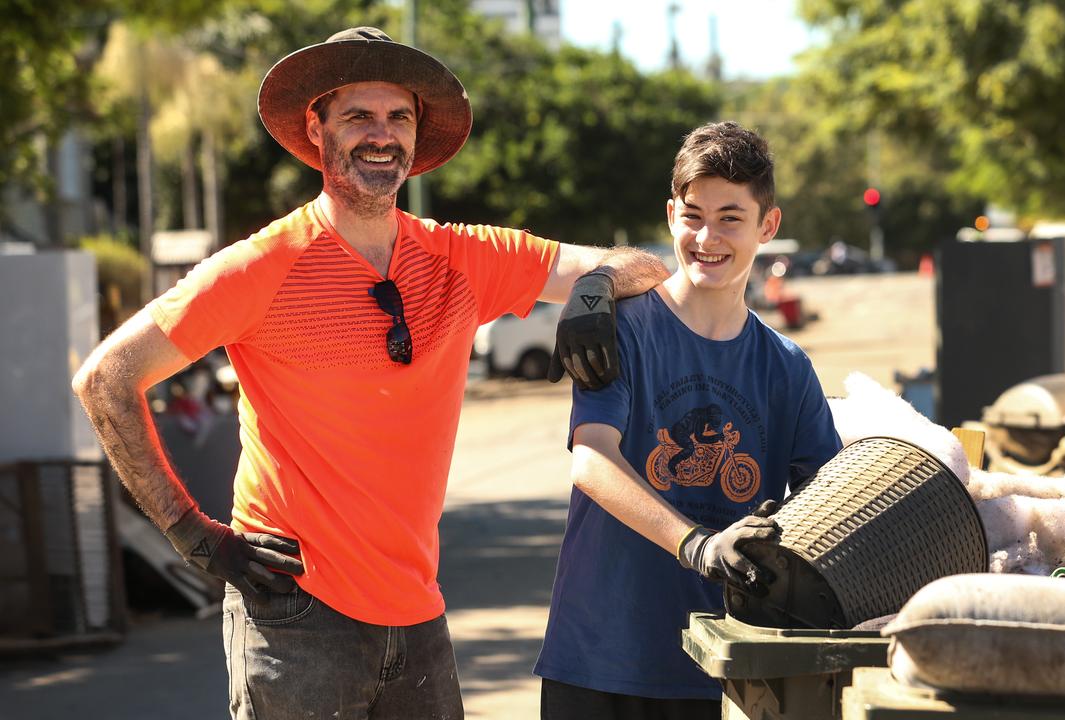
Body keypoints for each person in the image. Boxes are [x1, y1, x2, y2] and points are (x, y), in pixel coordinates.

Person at [72, 27, 668, 720]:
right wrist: (191, 533)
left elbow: (645, 267)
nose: (380, 135)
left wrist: (594, 291)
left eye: (398, 117)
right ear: (316, 128)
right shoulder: (260, 268)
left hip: (418, 615)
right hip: (294, 615)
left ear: (416, 139)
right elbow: (106, 378)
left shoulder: (461, 256)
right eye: (358, 116)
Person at [534, 122, 844, 719]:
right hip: (601, 657)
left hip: (723, 670)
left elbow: (828, 501)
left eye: (731, 217)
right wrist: (698, 546)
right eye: (694, 215)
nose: (708, 236)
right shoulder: (622, 328)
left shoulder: (786, 367)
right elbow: (592, 459)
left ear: (768, 225)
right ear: (671, 214)